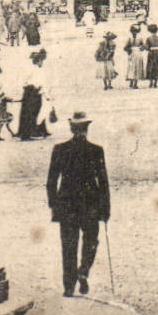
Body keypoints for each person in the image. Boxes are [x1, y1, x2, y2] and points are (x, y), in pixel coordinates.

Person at [46, 111, 110, 297]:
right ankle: (83, 270)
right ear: (87, 128)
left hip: (67, 205)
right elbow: (103, 182)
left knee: (68, 246)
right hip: (90, 204)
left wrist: (54, 205)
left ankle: (68, 286)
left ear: (71, 128)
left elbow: (51, 181)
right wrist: (105, 209)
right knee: (91, 242)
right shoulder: (96, 150)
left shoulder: (60, 149)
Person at [18, 49, 53, 140]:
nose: (42, 63)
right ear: (38, 61)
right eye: (41, 61)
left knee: (36, 112)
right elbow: (25, 81)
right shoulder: (33, 70)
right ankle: (28, 133)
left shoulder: (38, 69)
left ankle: (36, 131)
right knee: (30, 113)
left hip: (35, 93)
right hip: (31, 93)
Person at [144, 23, 158, 88]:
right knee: (157, 67)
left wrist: (148, 49)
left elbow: (147, 47)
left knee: (150, 67)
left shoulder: (149, 38)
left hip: (151, 52)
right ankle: (155, 83)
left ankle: (150, 82)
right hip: (157, 53)